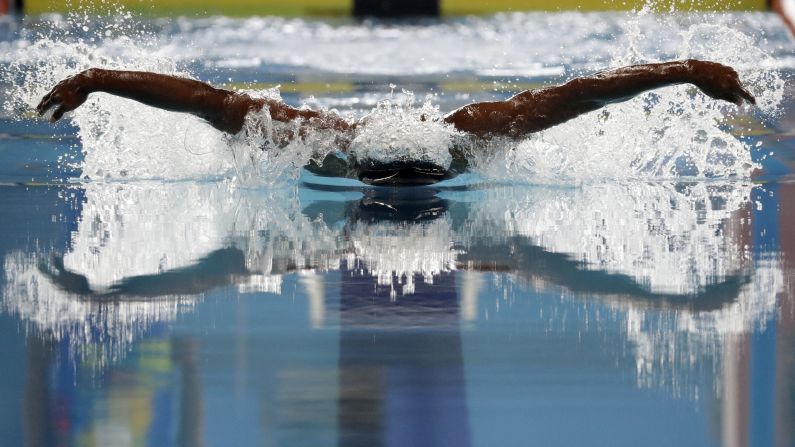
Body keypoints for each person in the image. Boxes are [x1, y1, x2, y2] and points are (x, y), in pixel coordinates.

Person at [37, 59, 756, 185]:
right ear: (361, 166)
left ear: (448, 160)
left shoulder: (478, 132)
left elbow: (580, 95)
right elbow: (208, 101)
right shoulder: (322, 145)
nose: (403, 191)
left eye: (412, 179)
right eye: (394, 178)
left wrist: (684, 70)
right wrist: (97, 81)